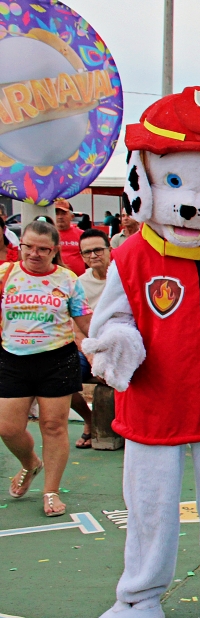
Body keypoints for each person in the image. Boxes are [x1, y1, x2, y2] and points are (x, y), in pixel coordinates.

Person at [1, 221, 91, 517]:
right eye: (29, 247)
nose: (35, 254)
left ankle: (51, 491)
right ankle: (30, 463)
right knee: (7, 428)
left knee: (53, 426)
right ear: (21, 245)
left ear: (54, 251)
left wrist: (98, 351)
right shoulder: (5, 274)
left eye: (43, 249)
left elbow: (84, 321)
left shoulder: (68, 279)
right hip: (12, 358)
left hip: (57, 359)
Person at [71, 229, 111, 448]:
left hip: (119, 344)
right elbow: (76, 330)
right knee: (63, 378)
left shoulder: (123, 277)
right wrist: (92, 357)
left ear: (109, 250)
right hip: (88, 347)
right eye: (87, 252)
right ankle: (89, 419)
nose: (93, 255)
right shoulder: (79, 284)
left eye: (98, 249)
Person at [53, 199, 85, 275]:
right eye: (57, 213)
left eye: (63, 213)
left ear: (72, 216)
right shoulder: (48, 235)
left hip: (78, 279)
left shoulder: (82, 235)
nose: (60, 217)